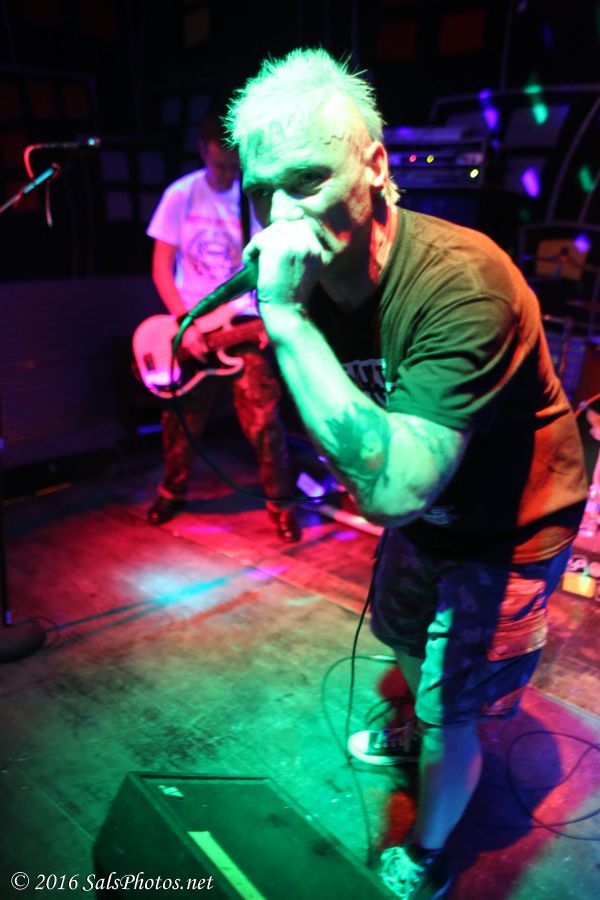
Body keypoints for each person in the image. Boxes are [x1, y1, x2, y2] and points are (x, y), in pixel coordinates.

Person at [223, 49, 587, 898]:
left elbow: (392, 489)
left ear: (377, 166)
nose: (281, 216)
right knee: (401, 633)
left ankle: (428, 852)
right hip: (428, 515)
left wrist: (282, 319)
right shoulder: (312, 276)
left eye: (308, 181)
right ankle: (416, 722)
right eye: (263, 190)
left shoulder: (462, 281)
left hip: (507, 524)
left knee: (452, 710)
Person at [145, 116, 301, 543]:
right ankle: (171, 491)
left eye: (234, 167)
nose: (227, 175)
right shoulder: (180, 195)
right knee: (181, 421)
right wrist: (185, 325)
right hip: (189, 323)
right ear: (203, 151)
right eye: (219, 166)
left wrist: (269, 314)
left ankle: (281, 504)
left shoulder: (253, 201)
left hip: (240, 321)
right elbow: (161, 269)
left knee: (264, 419)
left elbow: (266, 269)